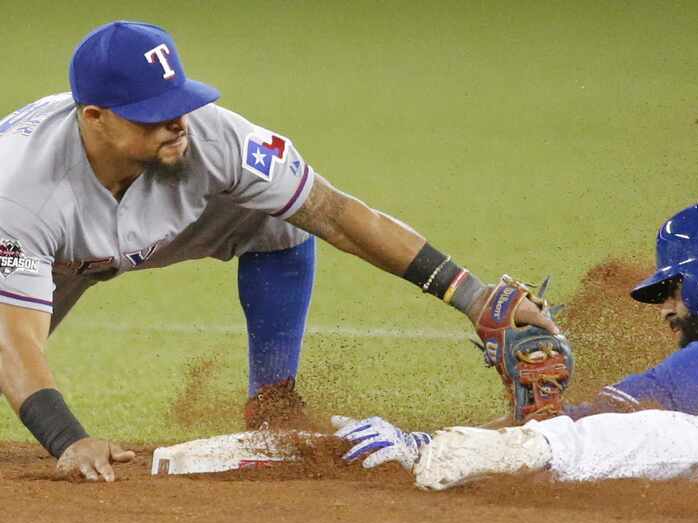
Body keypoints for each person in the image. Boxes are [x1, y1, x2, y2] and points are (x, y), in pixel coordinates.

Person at [0, 21, 555, 483]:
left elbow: (335, 214)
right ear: (95, 117)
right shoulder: (20, 190)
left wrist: (473, 295)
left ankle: (273, 403)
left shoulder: (211, 139)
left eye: (179, 102)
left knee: (277, 219)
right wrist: (68, 440)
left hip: (140, 219)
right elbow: (12, 341)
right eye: (152, 110)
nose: (176, 121)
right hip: (39, 249)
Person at [336, 198, 698, 486]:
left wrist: (505, 431)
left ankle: (461, 452)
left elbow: (614, 420)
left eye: (673, 288)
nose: (666, 310)